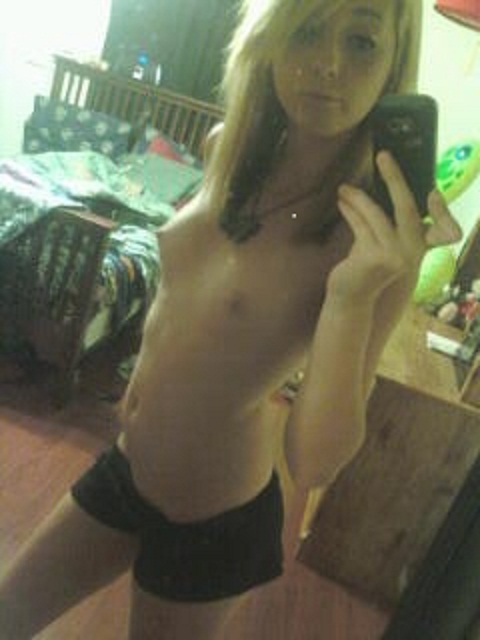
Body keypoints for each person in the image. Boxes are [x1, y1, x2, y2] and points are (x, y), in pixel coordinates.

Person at [0, 0, 462, 638]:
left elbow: (316, 462)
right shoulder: (228, 149)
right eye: (307, 30)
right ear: (270, 37)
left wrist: (352, 298)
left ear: (393, 61)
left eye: (361, 41)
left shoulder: (370, 239)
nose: (328, 64)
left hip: (211, 523)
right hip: (129, 465)